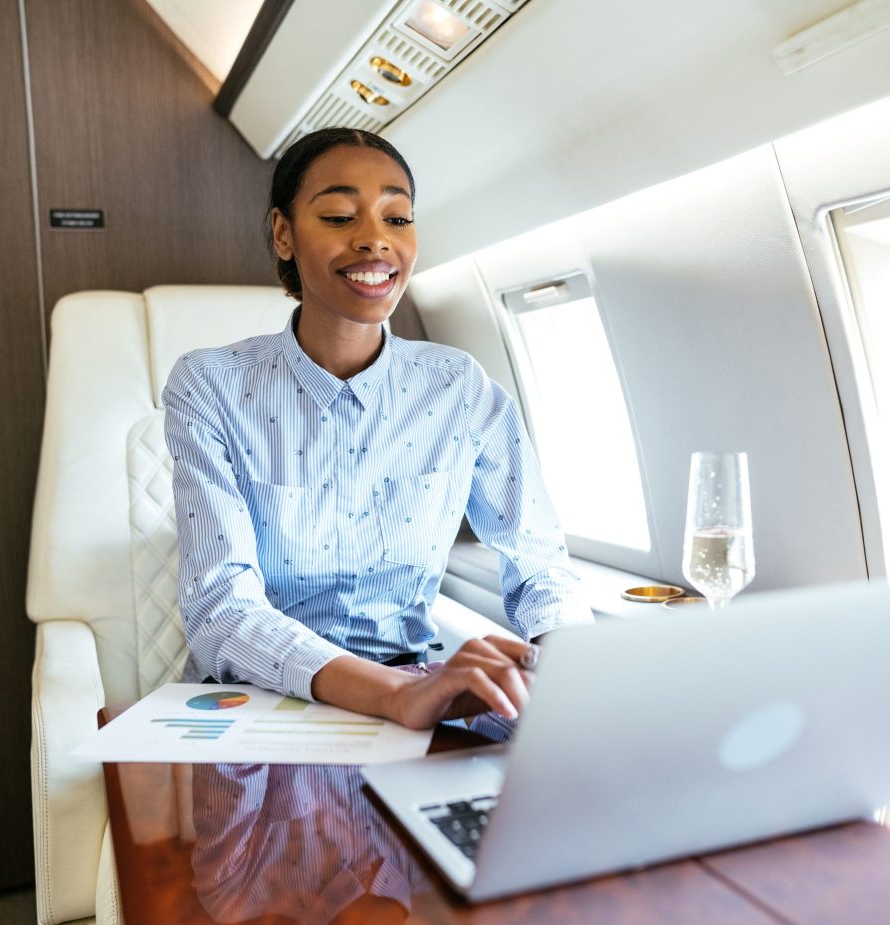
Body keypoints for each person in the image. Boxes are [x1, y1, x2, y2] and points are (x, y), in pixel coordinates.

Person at [161, 127, 592, 730]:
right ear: (283, 234)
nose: (374, 241)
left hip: (412, 691)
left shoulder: (457, 387)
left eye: (398, 218)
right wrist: (391, 694)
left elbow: (540, 563)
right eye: (339, 216)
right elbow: (222, 610)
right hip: (258, 704)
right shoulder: (211, 385)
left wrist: (573, 671)